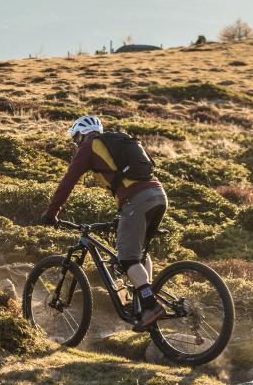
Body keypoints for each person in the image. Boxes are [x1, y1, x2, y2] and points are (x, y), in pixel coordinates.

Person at [40, 115, 168, 330]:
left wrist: (50, 213)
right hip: (158, 195)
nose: (76, 144)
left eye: (75, 140)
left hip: (137, 200)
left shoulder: (88, 146)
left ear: (80, 135)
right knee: (139, 254)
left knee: (127, 260)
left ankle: (150, 304)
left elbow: (68, 182)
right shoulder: (117, 141)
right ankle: (146, 298)